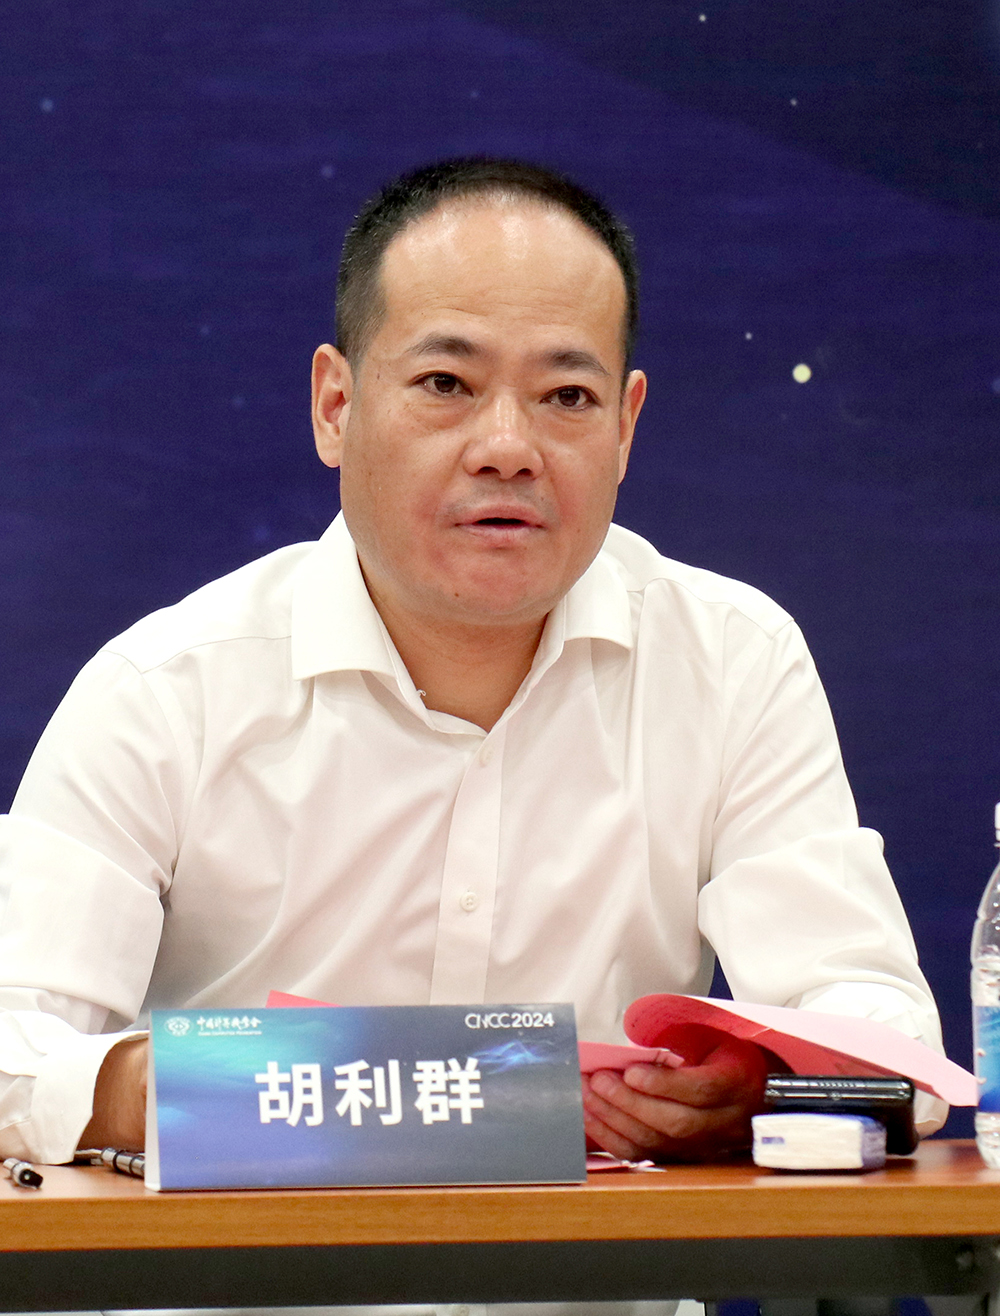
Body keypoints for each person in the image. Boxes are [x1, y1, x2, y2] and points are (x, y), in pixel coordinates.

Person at [0, 158, 945, 1176]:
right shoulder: (167, 690)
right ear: (335, 405)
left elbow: (888, 1045)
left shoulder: (732, 662)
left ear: (625, 427)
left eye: (566, 395)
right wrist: (206, 1087)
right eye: (446, 384)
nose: (507, 447)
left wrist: (769, 1089)